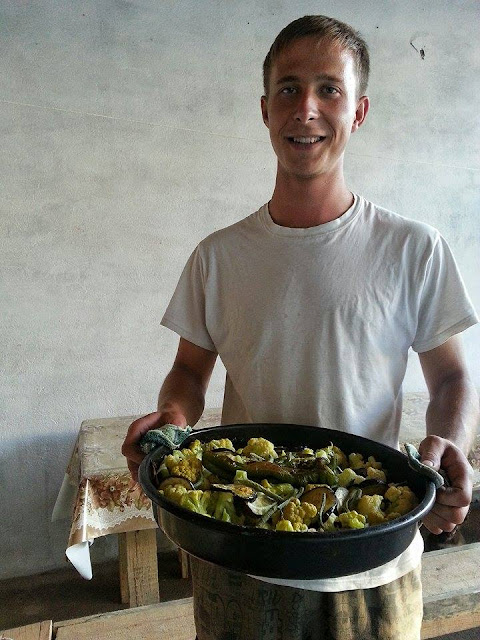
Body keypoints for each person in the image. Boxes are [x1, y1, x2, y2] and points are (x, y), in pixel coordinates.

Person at [122, 15, 479, 640]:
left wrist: (449, 441)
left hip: (371, 563)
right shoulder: (218, 256)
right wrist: (173, 422)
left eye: (328, 89)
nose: (305, 108)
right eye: (288, 88)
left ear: (358, 111)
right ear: (265, 110)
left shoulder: (413, 249)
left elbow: (451, 378)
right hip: (240, 560)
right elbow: (188, 370)